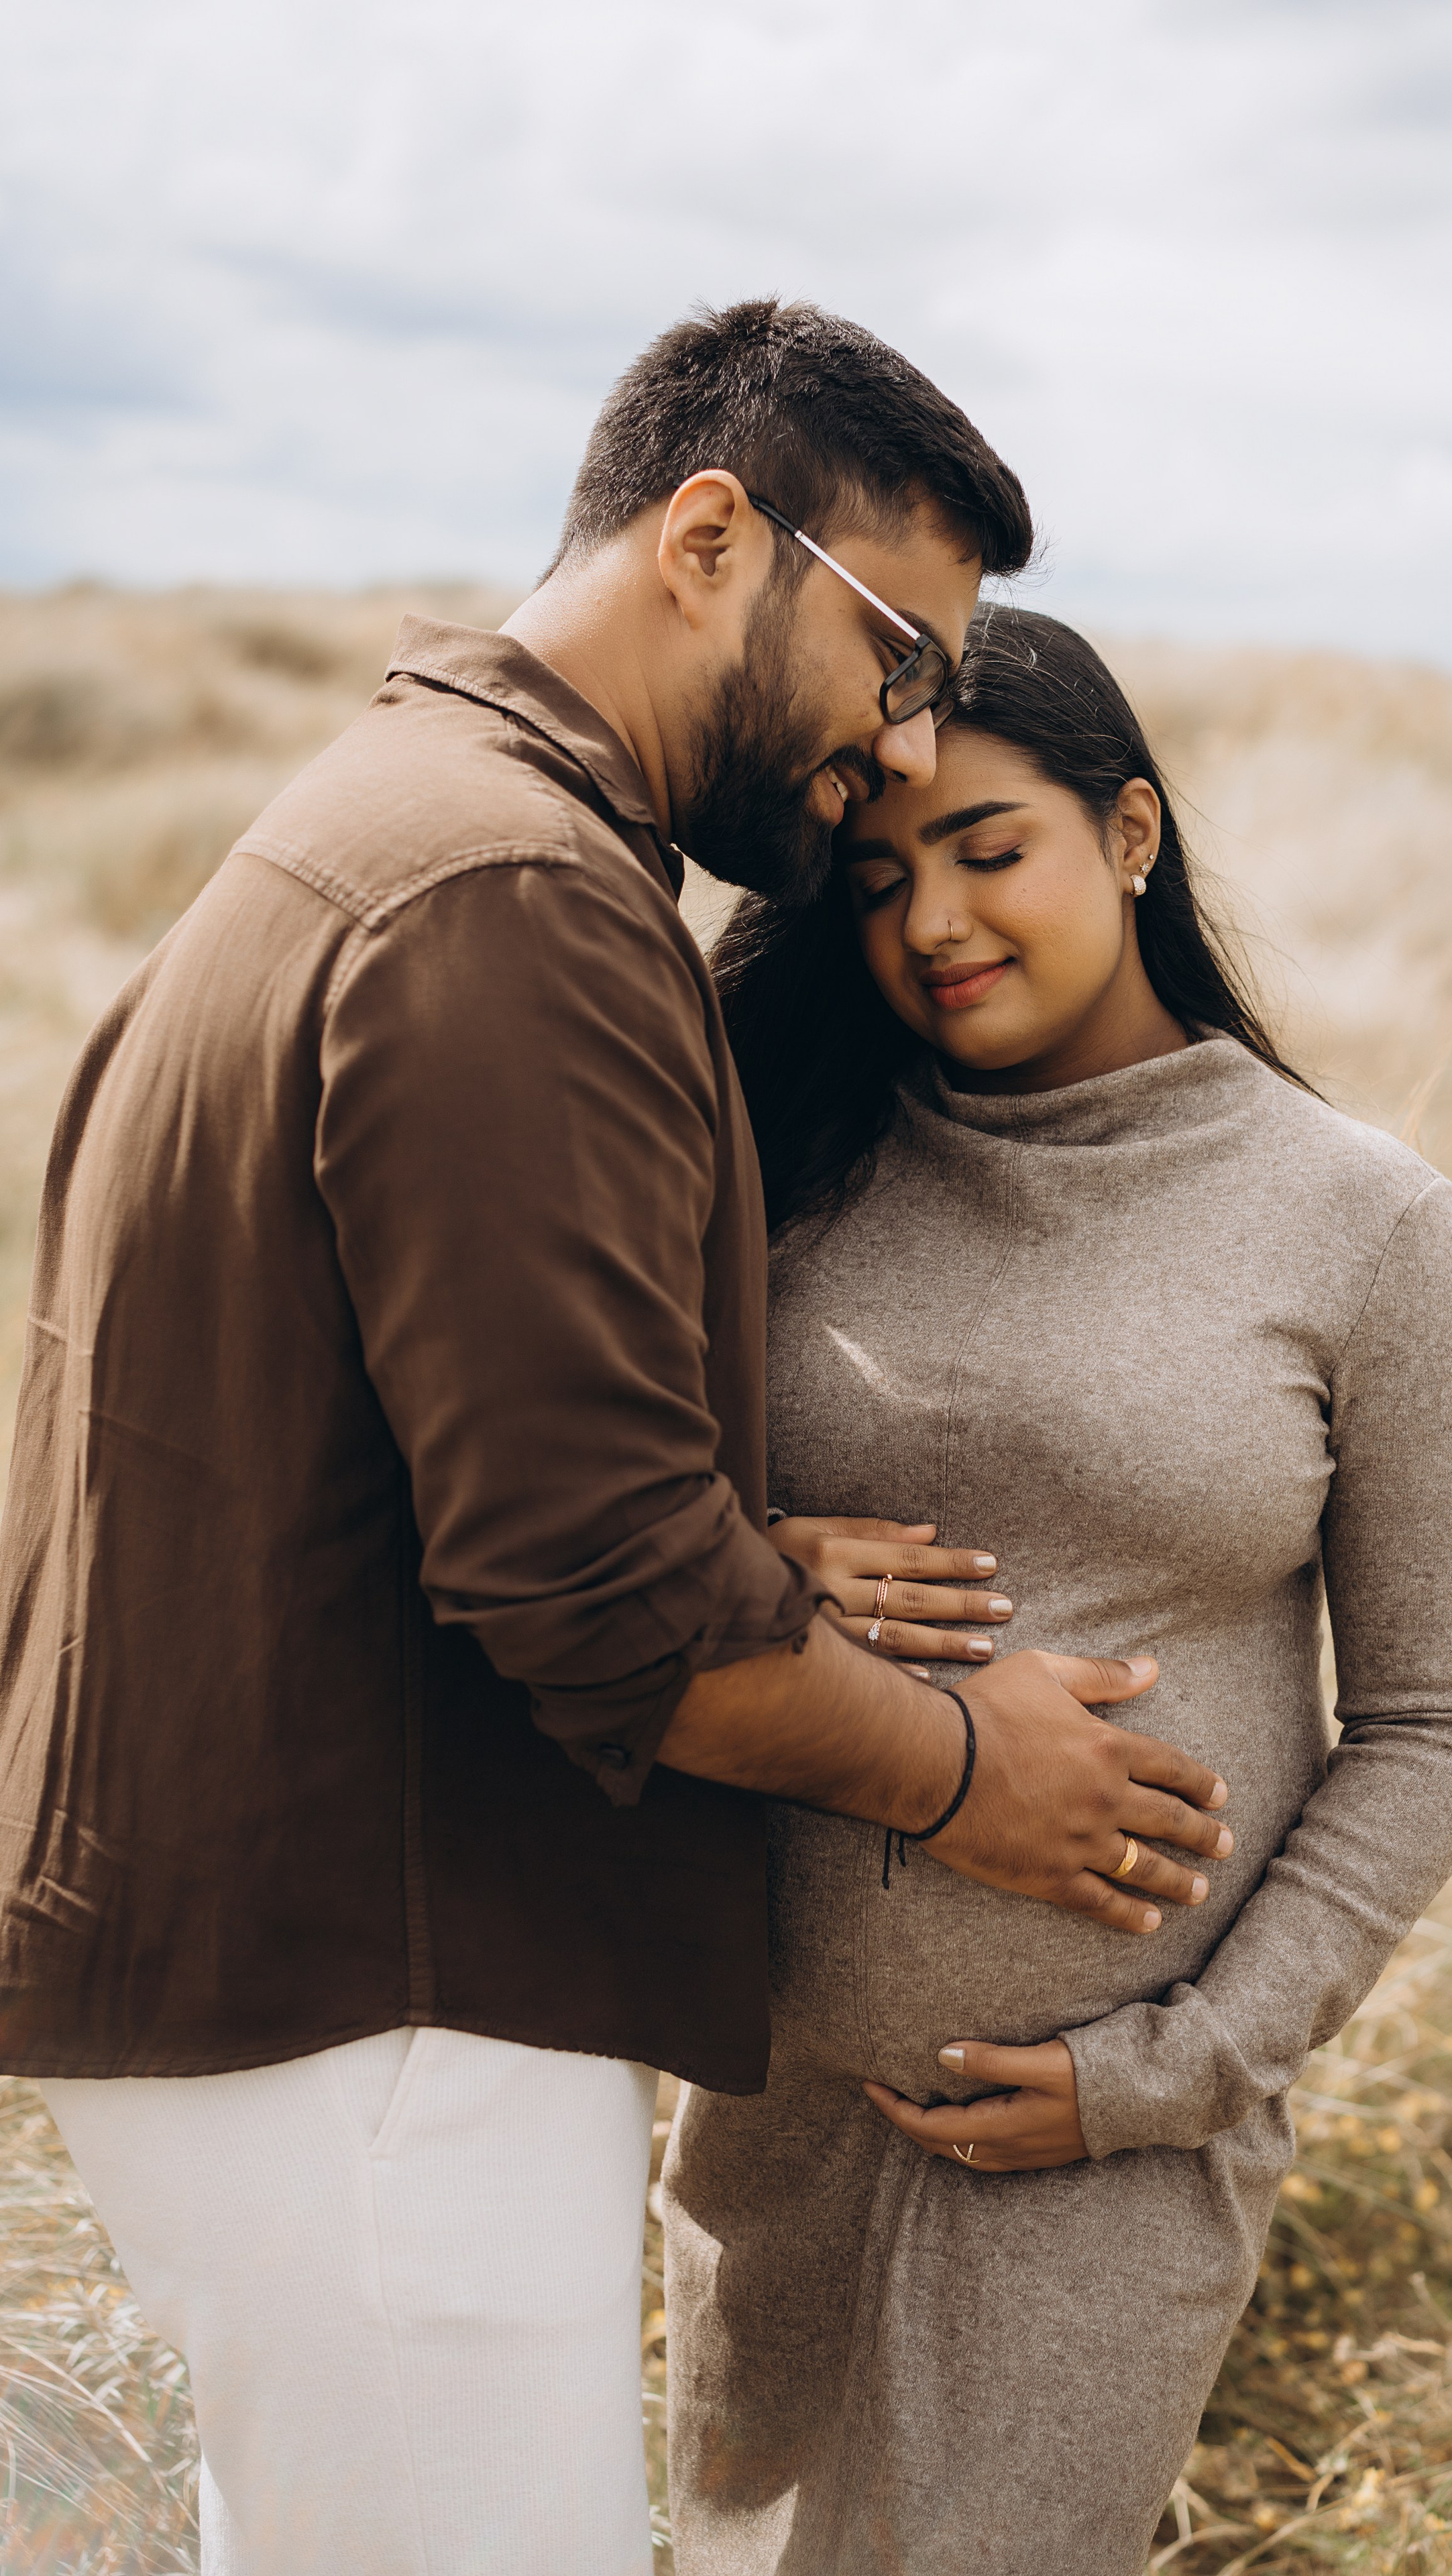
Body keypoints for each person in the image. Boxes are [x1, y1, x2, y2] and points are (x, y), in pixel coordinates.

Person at [0, 310, 1231, 2576]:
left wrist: (743, 1551)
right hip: (373, 1997)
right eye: (894, 650)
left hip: (293, 1975)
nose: (903, 737)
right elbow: (593, 1607)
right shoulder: (512, 901)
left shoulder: (399, 820)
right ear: (704, 536)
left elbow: (425, 1437)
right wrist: (973, 1769)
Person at [665, 607, 1452, 2576]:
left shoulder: (1356, 1216)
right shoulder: (791, 1161)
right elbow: (632, 1528)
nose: (933, 922)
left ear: (1129, 833)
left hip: (1104, 2149)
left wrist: (1181, 2071)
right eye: (877, 880)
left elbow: (1443, 1718)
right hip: (769, 2120)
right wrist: (767, 1560)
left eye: (991, 849)